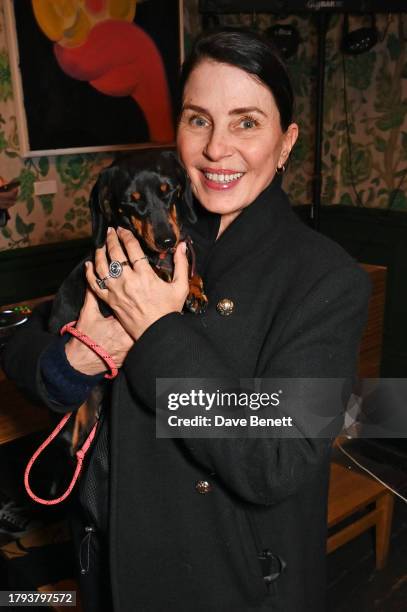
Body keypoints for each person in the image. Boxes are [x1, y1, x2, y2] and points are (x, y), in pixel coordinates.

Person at [3, 28, 370, 612]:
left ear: (286, 141)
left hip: (229, 584)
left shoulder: (326, 281)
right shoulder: (145, 238)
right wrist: (71, 362)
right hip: (109, 565)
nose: (216, 148)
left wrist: (156, 333)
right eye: (199, 120)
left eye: (246, 122)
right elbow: (22, 336)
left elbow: (275, 459)